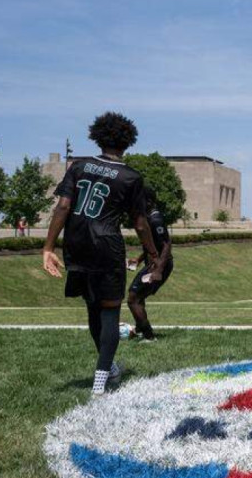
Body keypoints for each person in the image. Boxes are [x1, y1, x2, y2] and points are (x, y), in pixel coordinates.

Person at [41, 112, 163, 395]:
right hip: (107, 245)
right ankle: (101, 378)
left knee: (92, 308)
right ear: (128, 142)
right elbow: (140, 222)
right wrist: (152, 253)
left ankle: (107, 369)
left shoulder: (79, 166)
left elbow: (62, 207)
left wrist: (48, 246)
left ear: (97, 136)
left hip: (76, 243)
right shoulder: (131, 177)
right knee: (109, 311)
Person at [126, 186, 172, 342]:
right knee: (139, 297)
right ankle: (140, 330)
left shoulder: (155, 219)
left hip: (158, 265)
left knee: (133, 299)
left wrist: (158, 269)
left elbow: (166, 244)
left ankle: (149, 336)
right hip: (153, 264)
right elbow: (153, 245)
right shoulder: (149, 217)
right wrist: (139, 260)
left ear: (149, 201)